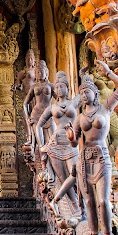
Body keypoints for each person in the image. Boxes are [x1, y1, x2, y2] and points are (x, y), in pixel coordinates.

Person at [70, 60, 118, 235]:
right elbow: (73, 142)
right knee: (89, 202)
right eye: (81, 93)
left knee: (103, 200)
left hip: (102, 156)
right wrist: (71, 136)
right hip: (85, 160)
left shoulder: (105, 108)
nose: (84, 96)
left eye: (87, 92)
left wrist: (109, 72)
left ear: (95, 92)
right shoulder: (79, 118)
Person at [37, 71, 81, 217]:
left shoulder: (74, 102)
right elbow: (39, 125)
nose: (58, 89)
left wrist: (83, 75)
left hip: (71, 142)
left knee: (74, 172)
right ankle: (75, 208)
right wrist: (41, 145)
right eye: (57, 86)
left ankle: (58, 200)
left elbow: (87, 92)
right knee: (62, 178)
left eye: (61, 86)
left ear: (67, 88)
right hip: (55, 144)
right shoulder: (52, 108)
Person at [23, 59, 56, 162]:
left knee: (53, 140)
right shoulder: (34, 87)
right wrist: (28, 116)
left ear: (46, 72)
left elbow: (59, 99)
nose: (40, 74)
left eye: (42, 72)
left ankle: (53, 162)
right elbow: (25, 103)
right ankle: (43, 163)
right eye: (38, 72)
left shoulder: (51, 86)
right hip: (36, 114)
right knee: (40, 143)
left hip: (49, 114)